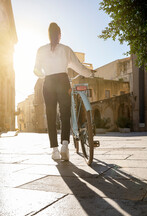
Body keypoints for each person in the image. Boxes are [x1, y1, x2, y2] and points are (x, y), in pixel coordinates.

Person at [34, 22, 94, 161]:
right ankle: (65, 147)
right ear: (59, 35)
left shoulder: (40, 50)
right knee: (65, 113)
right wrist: (90, 73)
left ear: (48, 35)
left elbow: (36, 70)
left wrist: (45, 75)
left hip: (48, 82)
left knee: (50, 115)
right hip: (62, 80)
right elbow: (78, 66)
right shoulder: (65, 49)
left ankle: (54, 151)